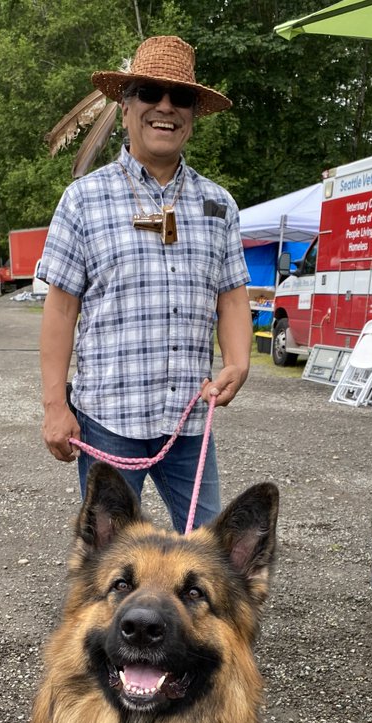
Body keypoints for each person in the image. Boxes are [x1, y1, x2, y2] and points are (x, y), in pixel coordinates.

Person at [37, 35, 253, 532]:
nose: (165, 107)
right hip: (108, 420)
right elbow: (61, 310)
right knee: (109, 558)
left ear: (193, 114)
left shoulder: (219, 204)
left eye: (181, 98)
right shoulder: (83, 199)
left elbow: (232, 297)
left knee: (209, 556)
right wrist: (54, 406)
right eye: (150, 92)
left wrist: (239, 362)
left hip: (189, 421)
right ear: (125, 106)